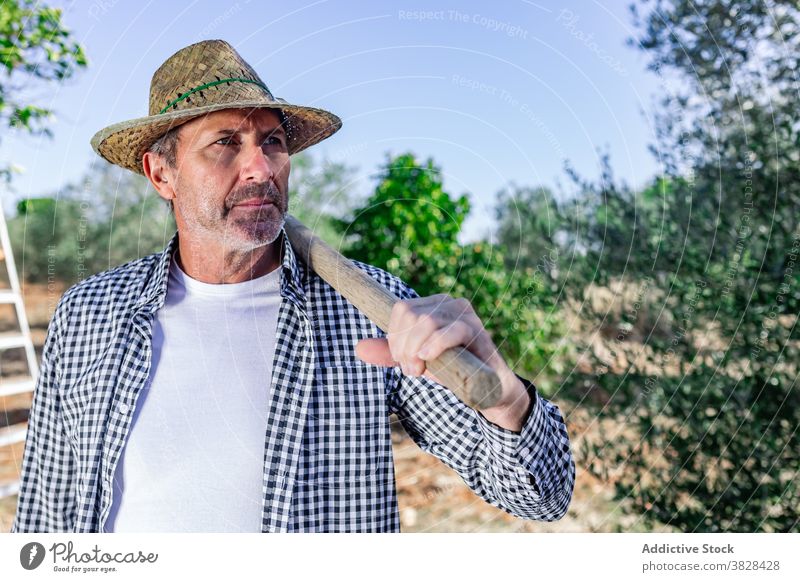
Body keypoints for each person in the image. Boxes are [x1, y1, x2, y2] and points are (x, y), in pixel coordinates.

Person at [11, 39, 575, 533]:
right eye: (225, 142)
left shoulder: (369, 310)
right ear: (162, 173)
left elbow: (540, 496)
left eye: (273, 142)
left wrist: (508, 400)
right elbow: (47, 511)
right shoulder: (90, 313)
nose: (261, 167)